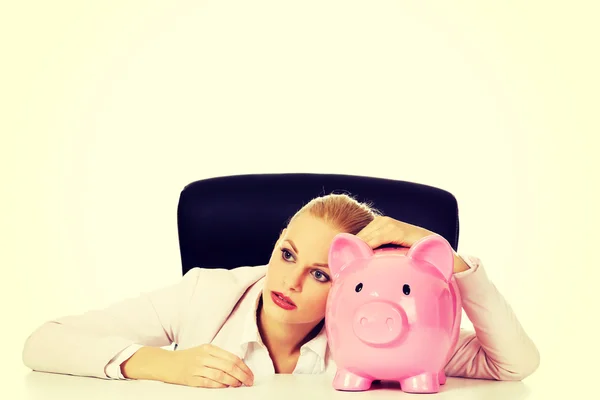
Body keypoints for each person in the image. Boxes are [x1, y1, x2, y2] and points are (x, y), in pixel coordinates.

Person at [22, 193, 540, 389]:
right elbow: (43, 342)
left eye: (321, 274)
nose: (288, 282)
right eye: (287, 253)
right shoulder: (206, 293)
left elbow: (513, 365)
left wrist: (452, 262)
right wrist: (161, 363)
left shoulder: (383, 338)